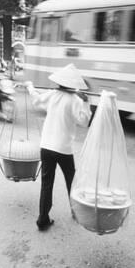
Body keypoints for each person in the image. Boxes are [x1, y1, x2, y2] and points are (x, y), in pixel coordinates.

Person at [25, 64, 91, 231]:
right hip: (63, 149)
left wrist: (30, 86)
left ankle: (42, 219)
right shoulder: (75, 100)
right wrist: (86, 103)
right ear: (73, 84)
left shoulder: (52, 95)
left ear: (60, 82)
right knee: (72, 182)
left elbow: (36, 100)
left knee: (46, 184)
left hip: (46, 147)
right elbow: (84, 122)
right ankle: (77, 212)